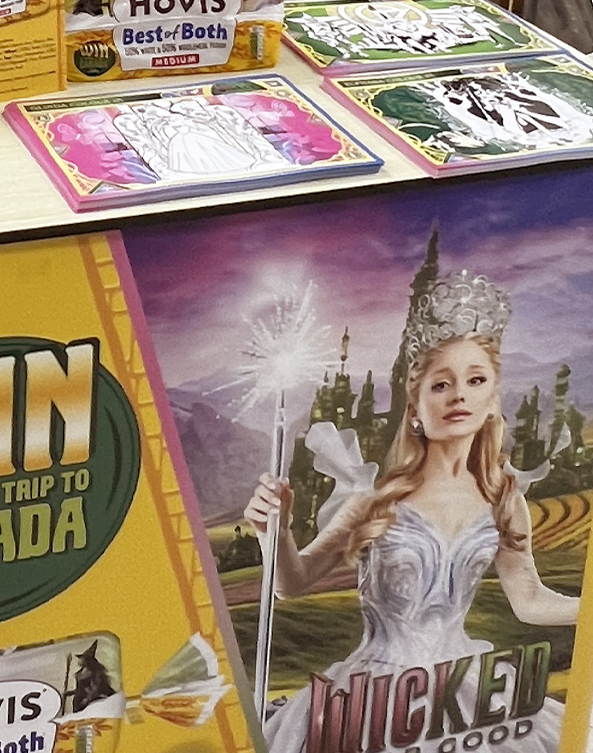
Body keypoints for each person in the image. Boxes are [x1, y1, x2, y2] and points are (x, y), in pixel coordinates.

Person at [245, 271, 579, 753]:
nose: (459, 394)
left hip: (464, 691)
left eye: (475, 380)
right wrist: (269, 530)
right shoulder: (376, 496)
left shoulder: (503, 496)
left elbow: (530, 602)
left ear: (492, 402)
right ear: (416, 407)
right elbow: (291, 584)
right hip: (374, 698)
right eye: (441, 384)